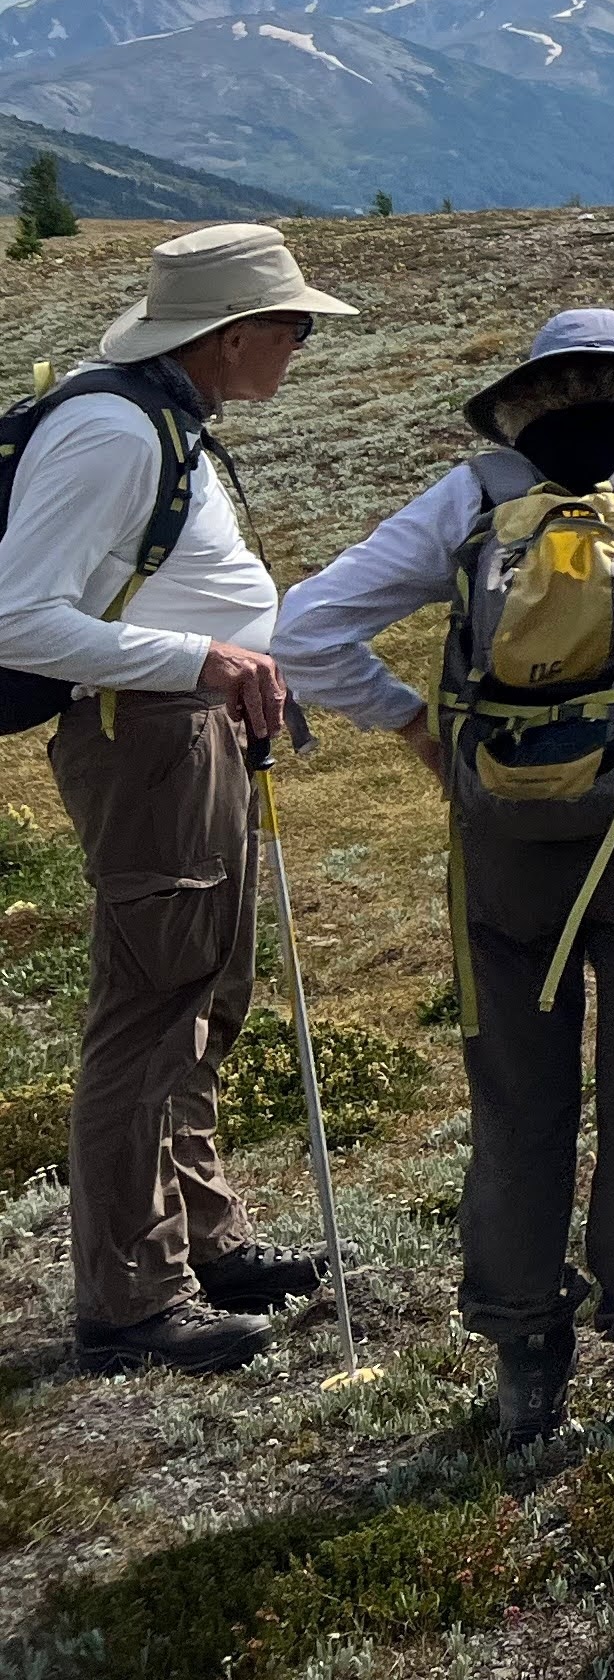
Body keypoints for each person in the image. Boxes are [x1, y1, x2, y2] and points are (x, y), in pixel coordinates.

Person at [274, 309, 614, 1444]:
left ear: (529, 394)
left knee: (515, 1093)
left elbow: (302, 630)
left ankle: (523, 1356)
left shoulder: (474, 495)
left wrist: (413, 726)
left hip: (501, 834)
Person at [0, 224, 355, 1375]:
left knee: (204, 992)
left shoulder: (164, 422)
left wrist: (222, 673)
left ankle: (203, 1240)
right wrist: (207, 663)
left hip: (188, 734)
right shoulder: (112, 433)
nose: (301, 345)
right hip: (146, 739)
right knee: (152, 1005)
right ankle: (130, 1295)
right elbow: (17, 618)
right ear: (236, 334)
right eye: (294, 327)